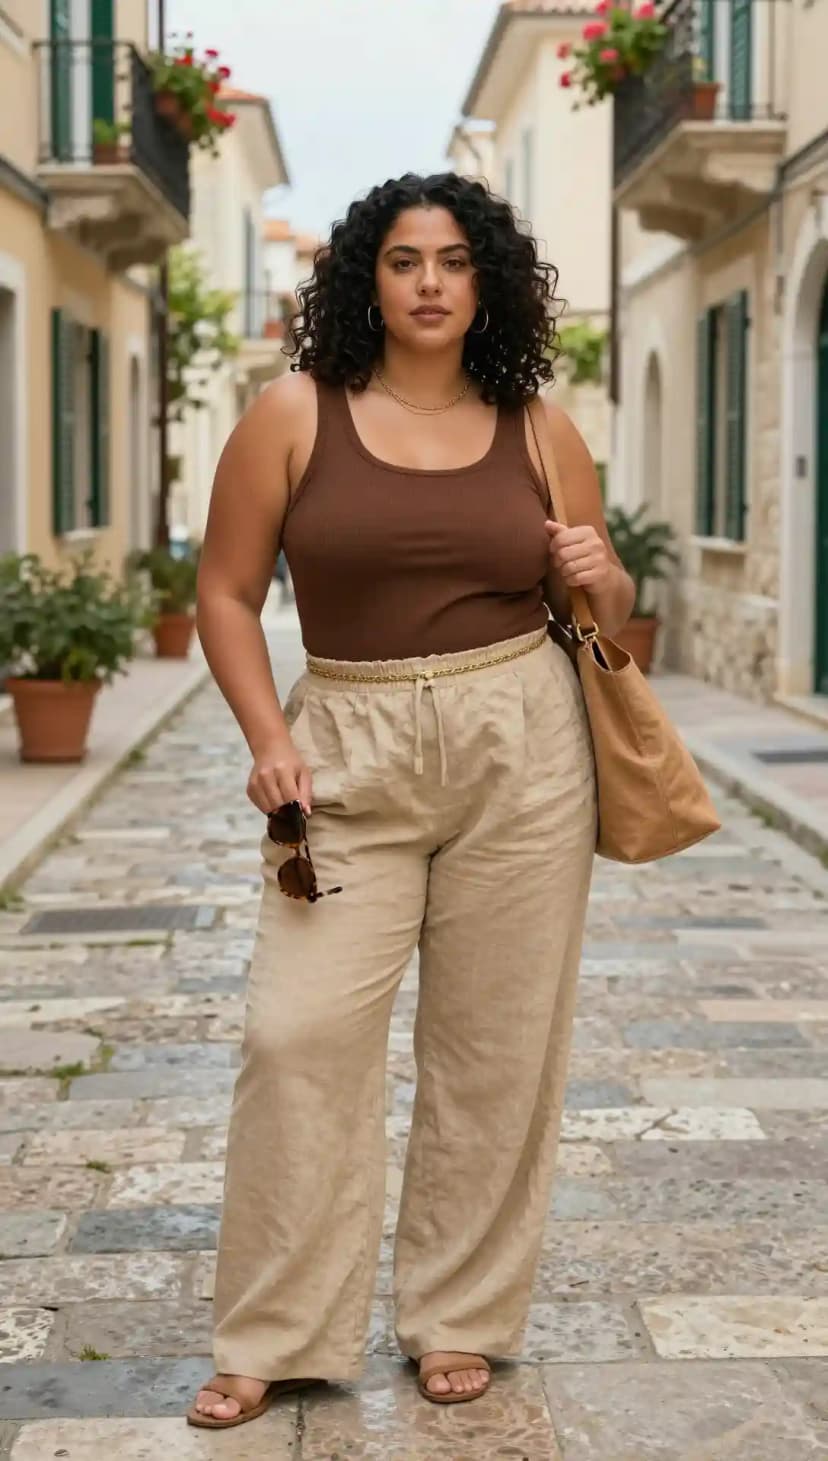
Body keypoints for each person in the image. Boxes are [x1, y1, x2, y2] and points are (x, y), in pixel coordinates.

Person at [187, 171, 634, 1431]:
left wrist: (605, 572)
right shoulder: (293, 413)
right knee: (296, 1036)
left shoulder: (538, 427)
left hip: (523, 745)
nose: (428, 282)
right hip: (347, 747)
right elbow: (225, 592)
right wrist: (269, 737)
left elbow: (607, 623)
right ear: (364, 280)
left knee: (497, 1052)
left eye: (451, 259)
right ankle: (276, 1332)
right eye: (401, 260)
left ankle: (463, 1318)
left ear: (485, 278)